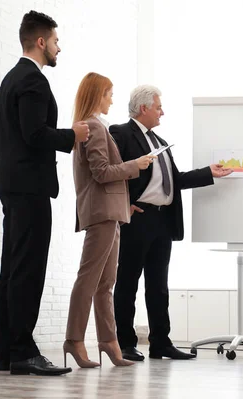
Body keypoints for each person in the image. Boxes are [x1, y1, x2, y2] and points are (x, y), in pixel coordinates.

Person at [0, 10, 89, 376]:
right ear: (42, 41)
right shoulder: (33, 81)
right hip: (30, 190)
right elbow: (35, 135)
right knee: (27, 271)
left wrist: (10, 172)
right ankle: (24, 351)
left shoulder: (7, 83)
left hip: (12, 187)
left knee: (13, 271)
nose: (60, 48)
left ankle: (9, 354)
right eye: (57, 41)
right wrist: (72, 136)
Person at [110, 85, 232, 361]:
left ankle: (160, 343)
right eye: (158, 107)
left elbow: (173, 180)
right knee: (128, 282)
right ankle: (125, 343)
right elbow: (111, 173)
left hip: (162, 221)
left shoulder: (159, 140)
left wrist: (208, 173)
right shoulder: (120, 133)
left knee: (159, 285)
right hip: (136, 218)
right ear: (144, 108)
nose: (162, 112)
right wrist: (122, 205)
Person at [63, 73, 156, 368]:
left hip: (111, 213)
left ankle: (108, 342)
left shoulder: (94, 126)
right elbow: (102, 172)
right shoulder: (92, 126)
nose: (112, 100)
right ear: (97, 95)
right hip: (102, 213)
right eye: (109, 94)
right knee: (89, 280)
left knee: (105, 283)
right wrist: (135, 165)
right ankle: (74, 339)